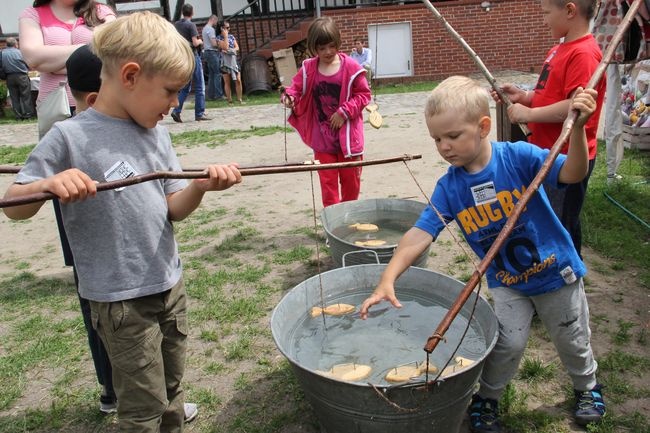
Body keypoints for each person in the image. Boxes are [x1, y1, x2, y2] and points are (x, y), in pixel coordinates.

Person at [3, 12, 242, 431]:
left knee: (170, 387)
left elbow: (171, 207)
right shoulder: (70, 137)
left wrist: (200, 187)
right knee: (142, 405)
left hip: (168, 284)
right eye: (169, 92)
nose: (174, 104)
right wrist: (52, 182)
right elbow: (13, 206)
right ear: (130, 75)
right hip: (121, 300)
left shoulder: (156, 135)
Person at [359, 76, 606, 432]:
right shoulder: (449, 187)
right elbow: (420, 233)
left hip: (556, 272)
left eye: (452, 136)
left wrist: (579, 131)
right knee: (506, 343)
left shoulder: (517, 158)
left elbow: (573, 172)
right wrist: (388, 276)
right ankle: (487, 398)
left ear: (483, 127)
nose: (444, 146)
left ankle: (587, 386)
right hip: (507, 282)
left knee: (571, 335)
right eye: (436, 139)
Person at [494, 0, 605, 257]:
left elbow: (574, 105)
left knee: (560, 224)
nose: (544, 20)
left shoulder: (584, 54)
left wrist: (530, 114)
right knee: (550, 218)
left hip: (567, 158)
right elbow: (549, 95)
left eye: (546, 13)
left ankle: (565, 274)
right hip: (546, 153)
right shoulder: (559, 49)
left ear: (569, 10)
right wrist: (524, 96)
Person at [281, 17, 371, 207]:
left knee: (350, 185)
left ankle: (348, 223)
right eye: (322, 48)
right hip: (322, 140)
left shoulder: (352, 68)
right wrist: (289, 98)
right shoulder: (309, 68)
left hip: (348, 141)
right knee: (328, 185)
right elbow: (295, 89)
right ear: (314, 48)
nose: (328, 52)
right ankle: (333, 226)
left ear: (338, 42)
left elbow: (363, 95)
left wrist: (344, 112)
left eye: (331, 46)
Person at [19, 0, 115, 127]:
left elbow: (112, 53)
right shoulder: (32, 15)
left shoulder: (102, 12)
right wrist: (89, 50)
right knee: (59, 145)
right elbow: (33, 58)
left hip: (100, 101)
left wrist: (53, 65)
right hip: (55, 105)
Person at [171, 3, 209, 123]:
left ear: (182, 12)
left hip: (182, 56)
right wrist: (200, 41)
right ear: (192, 13)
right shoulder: (191, 25)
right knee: (199, 86)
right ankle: (199, 113)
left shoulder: (176, 25)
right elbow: (195, 42)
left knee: (185, 87)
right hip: (192, 55)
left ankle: (176, 111)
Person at [1, 37, 36, 120]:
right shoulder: (20, 53)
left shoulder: (2, 53)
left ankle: (18, 116)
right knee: (26, 96)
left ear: (6, 44)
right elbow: (29, 64)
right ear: (15, 44)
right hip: (22, 76)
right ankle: (28, 115)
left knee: (14, 97)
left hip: (9, 77)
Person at [216, 20, 244, 104]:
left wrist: (231, 50)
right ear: (222, 28)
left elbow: (237, 47)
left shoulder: (232, 36)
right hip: (224, 61)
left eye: (229, 27)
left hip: (234, 60)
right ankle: (230, 100)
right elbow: (225, 47)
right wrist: (225, 37)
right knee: (227, 81)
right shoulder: (218, 38)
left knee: (238, 80)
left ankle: (240, 99)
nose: (229, 29)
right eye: (227, 28)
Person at [202, 14, 225, 101]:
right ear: (213, 20)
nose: (216, 24)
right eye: (216, 21)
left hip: (206, 52)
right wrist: (219, 44)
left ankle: (211, 95)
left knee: (211, 74)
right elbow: (213, 44)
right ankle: (218, 95)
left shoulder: (204, 28)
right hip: (212, 52)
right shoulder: (211, 29)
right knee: (217, 73)